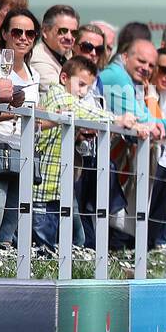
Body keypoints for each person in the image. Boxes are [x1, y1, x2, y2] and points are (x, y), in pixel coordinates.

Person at [0, 8, 44, 251]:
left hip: (23, 152)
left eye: (30, 33)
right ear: (5, 33)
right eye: (17, 31)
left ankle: (3, 274)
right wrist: (19, 113)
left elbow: (35, 114)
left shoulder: (33, 73)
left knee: (8, 231)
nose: (23, 38)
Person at [34, 55, 111, 250]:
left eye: (88, 87)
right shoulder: (59, 94)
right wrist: (117, 119)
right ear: (64, 78)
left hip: (60, 188)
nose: (83, 92)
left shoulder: (66, 97)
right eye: (81, 84)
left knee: (77, 240)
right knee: (44, 246)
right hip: (43, 190)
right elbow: (81, 110)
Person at [31, 4, 80, 91]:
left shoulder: (69, 56)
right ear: (45, 31)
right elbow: (60, 94)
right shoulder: (38, 58)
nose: (69, 37)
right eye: (62, 31)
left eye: (74, 33)